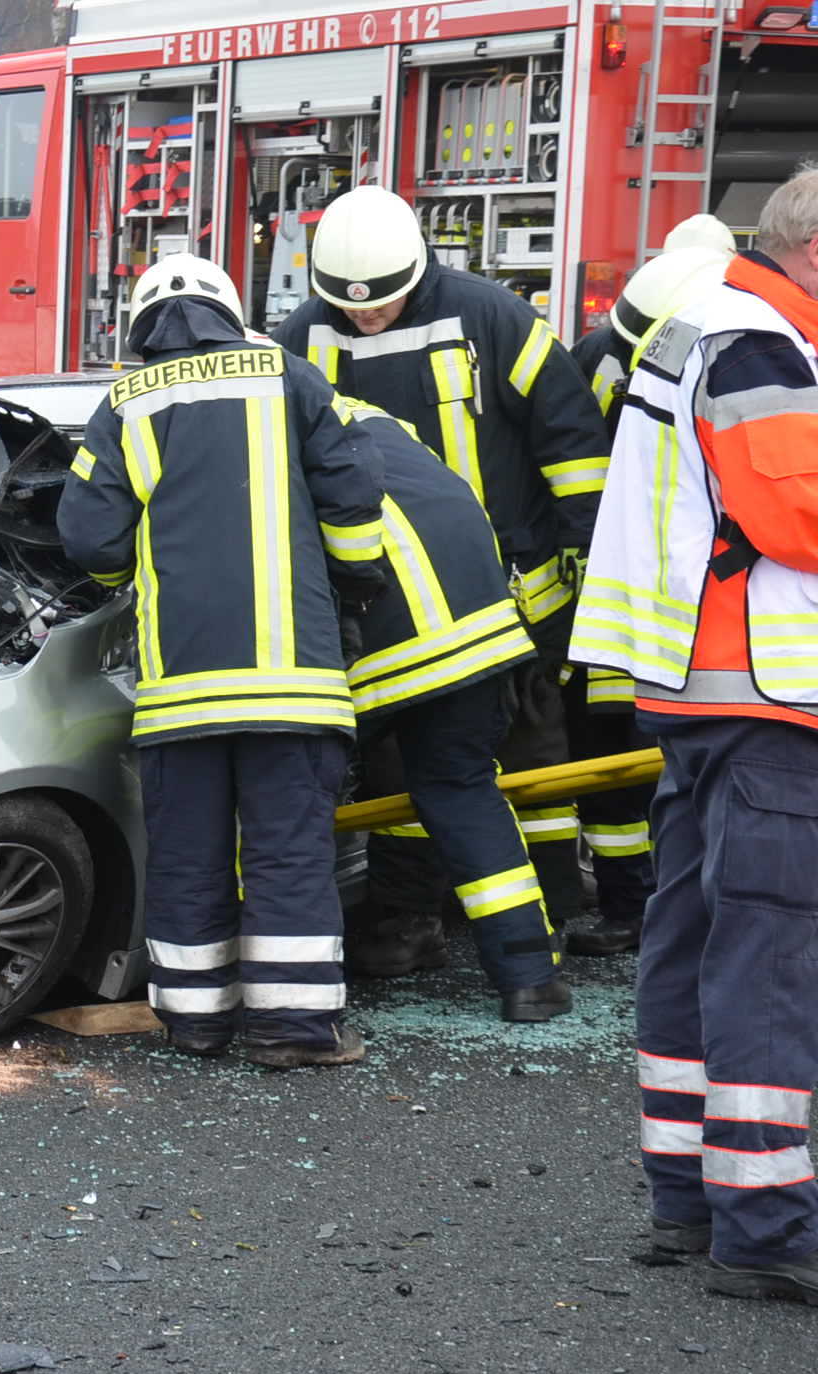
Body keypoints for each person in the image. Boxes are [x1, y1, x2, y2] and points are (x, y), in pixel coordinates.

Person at [574, 171, 818, 1302]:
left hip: (700, 695)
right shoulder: (760, 339)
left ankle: (688, 1194)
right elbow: (795, 511)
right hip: (768, 699)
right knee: (767, 960)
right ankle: (766, 1229)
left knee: (690, 946)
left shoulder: (705, 318)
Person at [61, 253, 386, 1069]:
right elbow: (354, 499)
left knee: (189, 853)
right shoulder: (292, 377)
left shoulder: (125, 403)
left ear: (140, 327)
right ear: (231, 311)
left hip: (183, 696)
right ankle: (292, 1031)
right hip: (295, 682)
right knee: (287, 851)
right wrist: (350, 581)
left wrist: (127, 577)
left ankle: (197, 1023)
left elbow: (91, 538)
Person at [275, 185, 610, 971]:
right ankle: (414, 919)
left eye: (383, 305)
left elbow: (573, 447)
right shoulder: (300, 339)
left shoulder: (493, 318)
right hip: (387, 600)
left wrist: (586, 560)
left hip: (515, 589)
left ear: (418, 272)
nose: (366, 318)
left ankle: (555, 902)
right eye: (350, 308)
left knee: (533, 754)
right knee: (405, 771)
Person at [327, 395, 569, 1022]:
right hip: (481, 638)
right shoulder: (377, 417)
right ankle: (529, 978)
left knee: (291, 803)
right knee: (461, 792)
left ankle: (287, 982)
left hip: (391, 650)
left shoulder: (267, 439)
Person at [560, 221, 737, 956]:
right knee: (635, 761)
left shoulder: (606, 352)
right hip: (671, 605)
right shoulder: (730, 350)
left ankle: (638, 905)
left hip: (633, 599)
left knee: (628, 759)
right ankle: (649, 906)